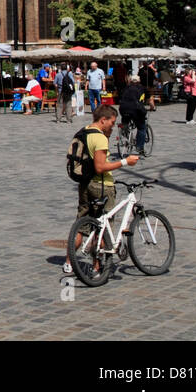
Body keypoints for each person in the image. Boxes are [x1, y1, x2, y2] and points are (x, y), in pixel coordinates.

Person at [65, 104, 139, 275]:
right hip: (101, 185)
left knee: (81, 225)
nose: (113, 126)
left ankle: (69, 262)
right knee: (103, 227)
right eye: (111, 123)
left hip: (84, 183)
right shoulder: (100, 138)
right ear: (103, 120)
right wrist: (125, 162)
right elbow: (100, 167)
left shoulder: (84, 131)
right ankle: (97, 267)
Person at [118, 76, 147, 154]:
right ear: (139, 81)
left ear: (130, 81)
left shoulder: (125, 88)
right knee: (142, 128)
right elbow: (149, 99)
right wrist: (152, 107)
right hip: (136, 110)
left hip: (123, 109)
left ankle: (126, 136)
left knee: (125, 123)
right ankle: (139, 146)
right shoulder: (141, 88)